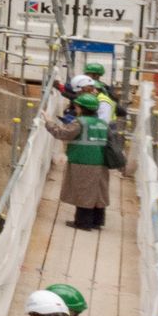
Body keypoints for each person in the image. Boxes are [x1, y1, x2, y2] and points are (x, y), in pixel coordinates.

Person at [45, 91, 112, 230]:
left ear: (81, 108)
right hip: (101, 162)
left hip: (83, 161)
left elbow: (62, 133)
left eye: (77, 106)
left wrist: (48, 122)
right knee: (98, 192)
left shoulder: (80, 122)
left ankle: (83, 222)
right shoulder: (103, 124)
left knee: (84, 192)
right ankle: (97, 221)